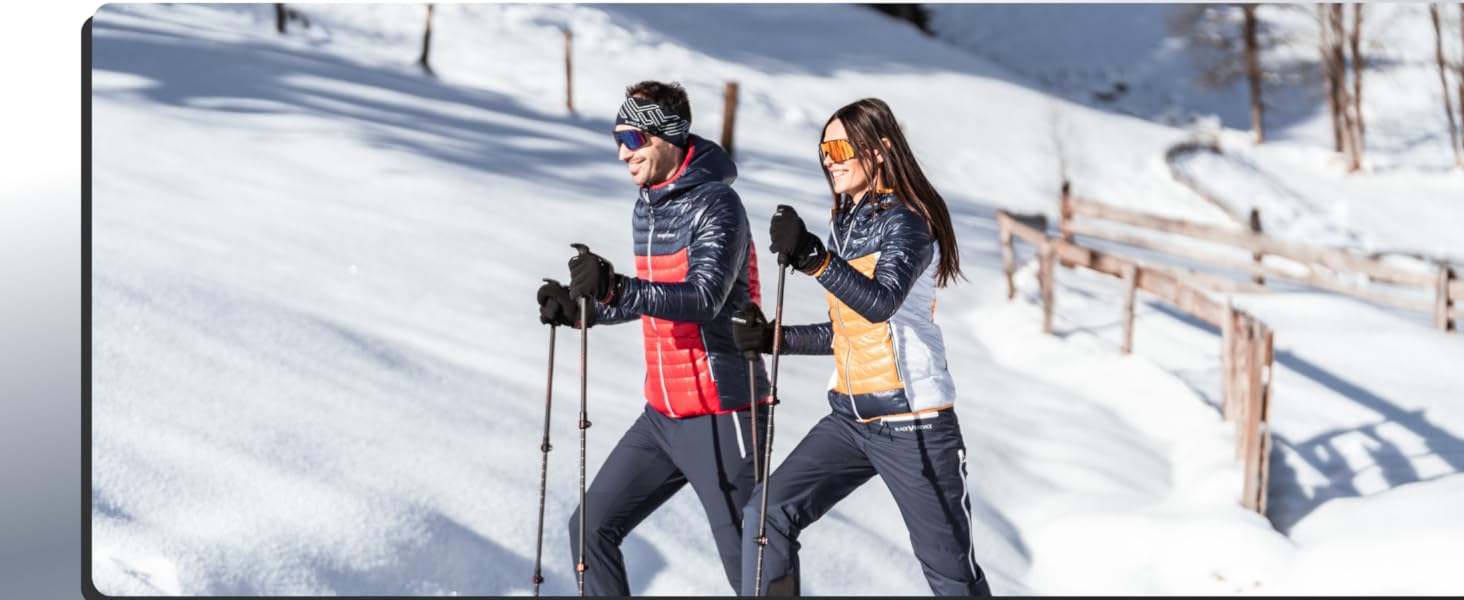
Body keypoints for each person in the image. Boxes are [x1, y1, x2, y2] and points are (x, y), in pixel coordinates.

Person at [731, 97, 991, 596]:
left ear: (878, 149)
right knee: (767, 516)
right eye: (822, 148)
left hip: (913, 423)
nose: (829, 157)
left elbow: (881, 303)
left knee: (951, 576)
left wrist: (812, 257)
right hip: (850, 420)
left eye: (839, 146)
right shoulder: (847, 224)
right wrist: (772, 339)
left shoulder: (908, 223)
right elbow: (848, 330)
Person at [535, 80, 772, 596]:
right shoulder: (649, 205)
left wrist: (618, 286)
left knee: (752, 573)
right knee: (589, 531)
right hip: (663, 414)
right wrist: (584, 310)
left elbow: (702, 298)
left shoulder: (719, 205)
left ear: (667, 136)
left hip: (721, 409)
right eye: (615, 138)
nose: (622, 152)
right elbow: (652, 299)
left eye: (632, 138)